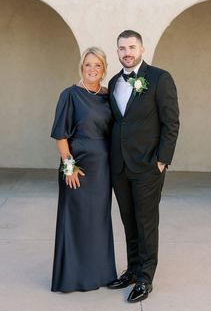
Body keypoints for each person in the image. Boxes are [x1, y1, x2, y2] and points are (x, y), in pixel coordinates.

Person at [107, 30, 179, 303]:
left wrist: (162, 160)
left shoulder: (160, 78)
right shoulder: (114, 81)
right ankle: (133, 270)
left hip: (149, 165)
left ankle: (146, 278)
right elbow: (118, 122)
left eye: (132, 47)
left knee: (146, 222)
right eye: (122, 48)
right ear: (117, 52)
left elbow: (171, 123)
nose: (127, 52)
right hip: (120, 166)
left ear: (141, 48)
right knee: (128, 220)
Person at [51, 47, 117, 292]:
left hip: (102, 169)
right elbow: (60, 136)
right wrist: (69, 167)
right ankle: (73, 277)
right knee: (76, 221)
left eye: (97, 65)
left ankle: (100, 274)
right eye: (88, 64)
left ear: (103, 69)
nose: (92, 69)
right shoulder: (70, 95)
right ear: (82, 67)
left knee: (98, 221)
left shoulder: (107, 96)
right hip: (77, 166)